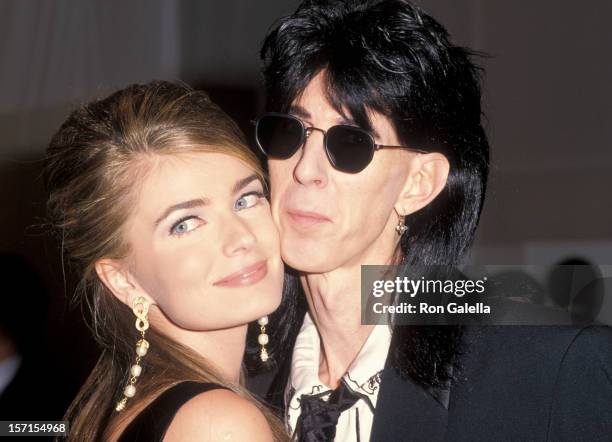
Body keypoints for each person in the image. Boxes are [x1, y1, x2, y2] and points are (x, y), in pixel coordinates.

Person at [253, 1, 612, 440]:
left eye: (350, 144)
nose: (304, 169)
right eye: (291, 132)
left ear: (418, 184)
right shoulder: (237, 379)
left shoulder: (548, 368)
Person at [44, 81, 290, 441]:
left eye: (246, 199)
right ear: (122, 280)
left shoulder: (131, 408)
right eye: (185, 224)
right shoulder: (217, 424)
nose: (242, 238)